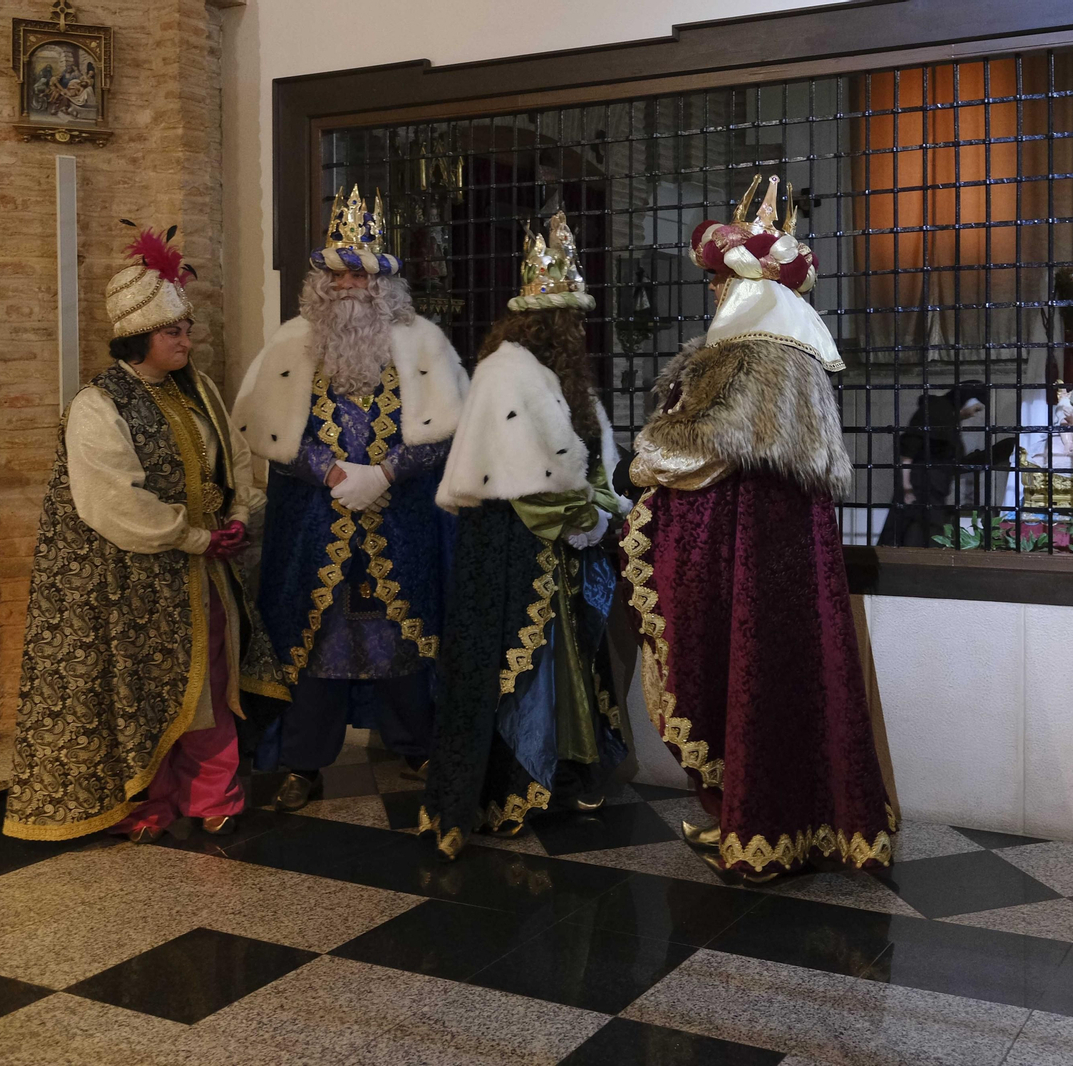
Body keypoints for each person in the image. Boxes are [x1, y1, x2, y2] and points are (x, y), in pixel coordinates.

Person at [620, 174, 895, 880]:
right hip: (777, 557)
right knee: (786, 678)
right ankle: (783, 817)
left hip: (747, 556)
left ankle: (762, 823)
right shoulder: (789, 357)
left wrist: (648, 453)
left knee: (754, 677)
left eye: (720, 282)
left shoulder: (753, 355)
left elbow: (702, 449)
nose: (714, 294)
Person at [5, 224, 288, 843]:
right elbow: (111, 499)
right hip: (131, 578)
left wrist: (239, 516)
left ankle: (215, 792)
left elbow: (235, 464)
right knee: (141, 691)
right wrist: (192, 537)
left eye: (185, 330)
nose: (186, 341)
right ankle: (147, 800)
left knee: (211, 684)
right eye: (172, 332)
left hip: (203, 572)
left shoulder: (202, 392)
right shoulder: (96, 405)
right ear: (137, 338)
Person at [232, 186, 467, 811]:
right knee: (316, 640)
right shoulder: (290, 346)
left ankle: (418, 745)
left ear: (383, 288)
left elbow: (451, 430)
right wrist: (330, 471)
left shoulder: (424, 344)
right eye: (335, 280)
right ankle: (302, 763)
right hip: (314, 522)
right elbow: (266, 428)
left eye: (358, 280)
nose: (346, 291)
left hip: (403, 519)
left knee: (401, 634)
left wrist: (387, 472)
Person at [420, 213, 629, 859]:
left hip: (557, 549)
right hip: (510, 548)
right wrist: (584, 515)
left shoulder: (561, 379)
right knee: (513, 672)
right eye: (569, 321)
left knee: (562, 667)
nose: (577, 333)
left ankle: (563, 775)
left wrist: (598, 505)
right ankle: (508, 788)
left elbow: (586, 456)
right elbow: (525, 478)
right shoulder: (507, 373)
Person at [879, 381, 988, 547]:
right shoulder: (936, 411)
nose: (974, 414)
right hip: (922, 484)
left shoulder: (945, 414)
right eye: (976, 409)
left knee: (919, 530)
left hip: (930, 484)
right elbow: (909, 450)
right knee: (920, 529)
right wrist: (907, 486)